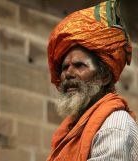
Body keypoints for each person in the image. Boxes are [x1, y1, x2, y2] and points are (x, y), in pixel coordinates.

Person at [46, 0, 138, 161]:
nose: (68, 73)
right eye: (64, 67)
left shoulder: (114, 126)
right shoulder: (69, 129)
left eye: (79, 66)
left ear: (104, 77)